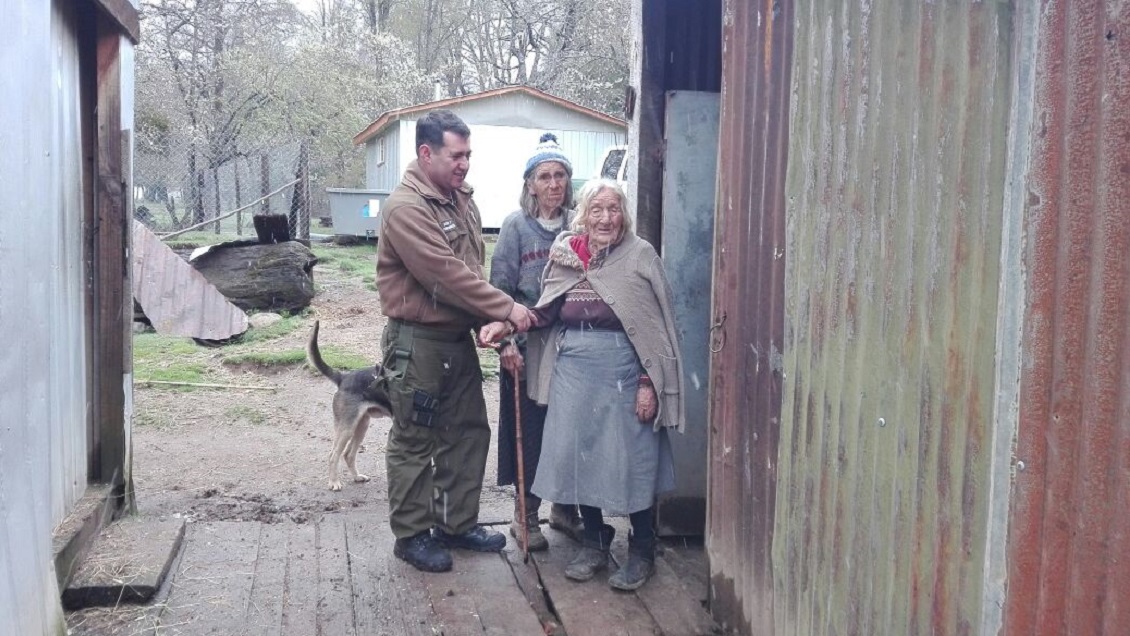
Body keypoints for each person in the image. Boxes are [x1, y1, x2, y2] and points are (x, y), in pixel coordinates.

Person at [481, 179, 685, 591]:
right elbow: (545, 311)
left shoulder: (640, 255)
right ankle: (594, 540)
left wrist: (649, 381)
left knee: (633, 460)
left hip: (624, 371)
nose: (605, 218)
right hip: (573, 372)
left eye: (613, 209)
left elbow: (657, 327)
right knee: (581, 455)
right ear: (583, 216)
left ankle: (643, 548)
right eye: (597, 210)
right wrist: (507, 323)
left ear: (623, 215)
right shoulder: (567, 256)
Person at [377, 109, 533, 573]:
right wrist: (506, 309)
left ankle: (455, 523)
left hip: (455, 339)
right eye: (456, 155)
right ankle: (411, 536)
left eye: (468, 155)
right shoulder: (406, 208)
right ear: (426, 154)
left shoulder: (460, 199)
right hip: (418, 343)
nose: (465, 164)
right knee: (414, 439)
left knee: (467, 432)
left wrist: (490, 325)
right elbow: (444, 276)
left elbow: (470, 270)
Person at [489, 133, 584, 552]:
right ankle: (524, 514)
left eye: (560, 175)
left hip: (571, 346)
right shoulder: (516, 227)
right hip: (526, 346)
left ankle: (566, 510)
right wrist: (506, 344)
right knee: (530, 430)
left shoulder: (578, 226)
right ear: (530, 184)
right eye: (544, 176)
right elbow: (499, 291)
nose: (553, 184)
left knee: (570, 430)